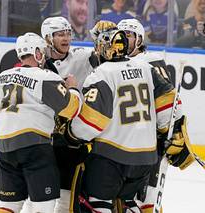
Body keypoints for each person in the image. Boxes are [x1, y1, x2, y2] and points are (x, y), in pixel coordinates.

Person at [66, 28, 194, 213]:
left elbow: (92, 122)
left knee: (96, 202)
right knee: (128, 201)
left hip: (111, 157)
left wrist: (71, 133)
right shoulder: (146, 68)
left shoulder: (101, 74)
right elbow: (168, 102)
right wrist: (171, 132)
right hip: (145, 159)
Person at [0, 32, 81, 213]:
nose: (44, 55)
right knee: (43, 207)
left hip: (5, 150)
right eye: (42, 51)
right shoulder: (45, 77)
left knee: (9, 205)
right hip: (35, 150)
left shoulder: (3, 77)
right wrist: (73, 88)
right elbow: (71, 110)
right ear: (36, 53)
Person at [41, 17, 114, 213]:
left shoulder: (80, 57)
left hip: (70, 142)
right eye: (59, 34)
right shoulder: (39, 66)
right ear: (48, 38)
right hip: (46, 140)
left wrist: (103, 38)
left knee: (66, 199)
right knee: (40, 199)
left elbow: (104, 56)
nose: (66, 38)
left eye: (68, 33)